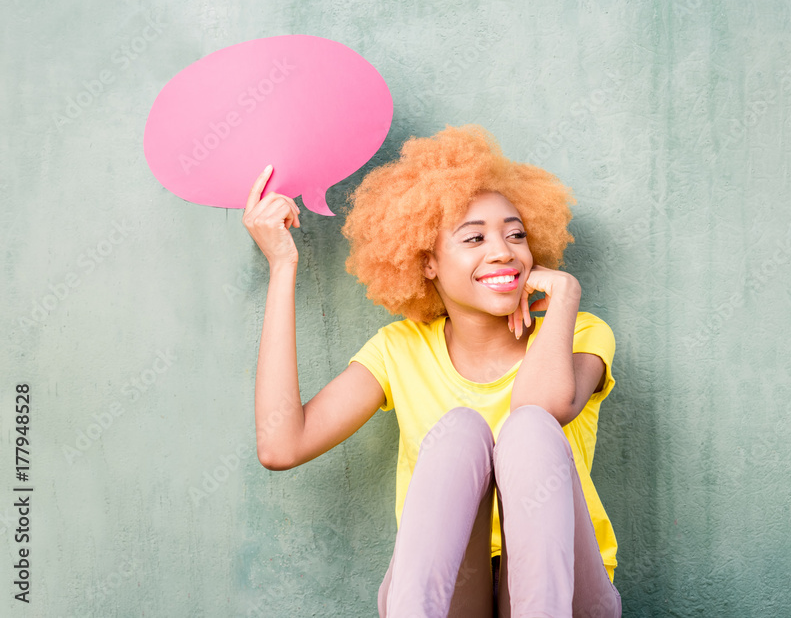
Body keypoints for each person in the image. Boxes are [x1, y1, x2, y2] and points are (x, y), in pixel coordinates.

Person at [242, 125, 622, 617]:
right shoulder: (399, 350)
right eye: (475, 238)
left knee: (527, 428)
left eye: (516, 235)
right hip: (443, 590)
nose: (504, 251)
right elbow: (281, 445)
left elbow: (540, 408)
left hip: (565, 590)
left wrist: (565, 297)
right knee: (460, 430)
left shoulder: (579, 333)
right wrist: (282, 265)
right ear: (427, 263)